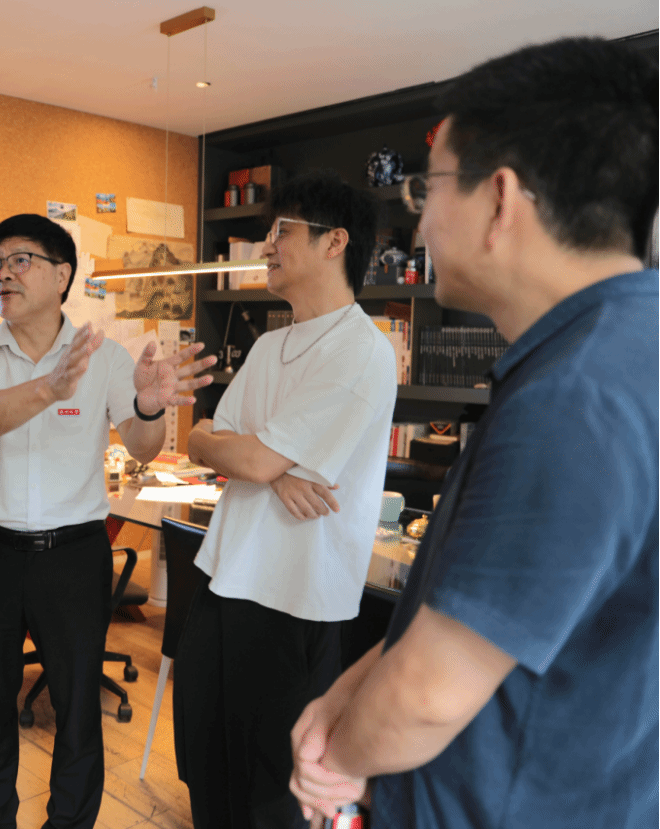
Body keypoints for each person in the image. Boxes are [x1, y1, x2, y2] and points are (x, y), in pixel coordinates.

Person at [288, 37, 659, 829]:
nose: (420, 222)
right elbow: (479, 610)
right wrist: (346, 696)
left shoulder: (577, 395)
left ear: (500, 200)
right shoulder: (620, 350)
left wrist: (335, 762)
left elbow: (428, 693)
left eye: (429, 188)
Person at [0, 213, 216, 829]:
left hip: (72, 558)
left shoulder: (109, 358)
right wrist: (51, 385)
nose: (2, 273)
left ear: (62, 274)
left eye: (20, 260)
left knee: (76, 713)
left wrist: (150, 406)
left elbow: (142, 445)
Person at [179, 172, 396, 828]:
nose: (267, 244)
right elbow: (200, 437)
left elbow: (241, 453)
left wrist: (253, 458)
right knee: (208, 773)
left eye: (282, 230)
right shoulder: (270, 344)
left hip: (296, 600)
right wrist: (270, 470)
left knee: (273, 801)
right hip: (223, 582)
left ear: (335, 242)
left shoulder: (363, 349)